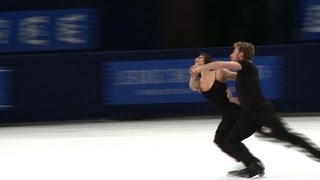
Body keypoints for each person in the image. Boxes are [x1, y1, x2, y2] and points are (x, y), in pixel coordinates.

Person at [191, 42, 320, 178]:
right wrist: (233, 100)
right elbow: (246, 97)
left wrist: (202, 68)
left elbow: (222, 65)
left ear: (241, 55)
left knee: (287, 136)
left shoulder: (247, 64)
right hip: (249, 114)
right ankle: (253, 165)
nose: (231, 54)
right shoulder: (242, 74)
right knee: (231, 140)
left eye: (234, 52)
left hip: (261, 109)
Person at [189, 52, 245, 174]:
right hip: (227, 116)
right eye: (196, 57)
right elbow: (193, 87)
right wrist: (193, 75)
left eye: (200, 57)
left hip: (236, 111)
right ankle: (244, 161)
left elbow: (239, 77)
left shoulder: (219, 72)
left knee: (226, 140)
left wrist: (242, 95)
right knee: (220, 140)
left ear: (207, 61)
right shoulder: (200, 82)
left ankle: (246, 161)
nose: (196, 58)